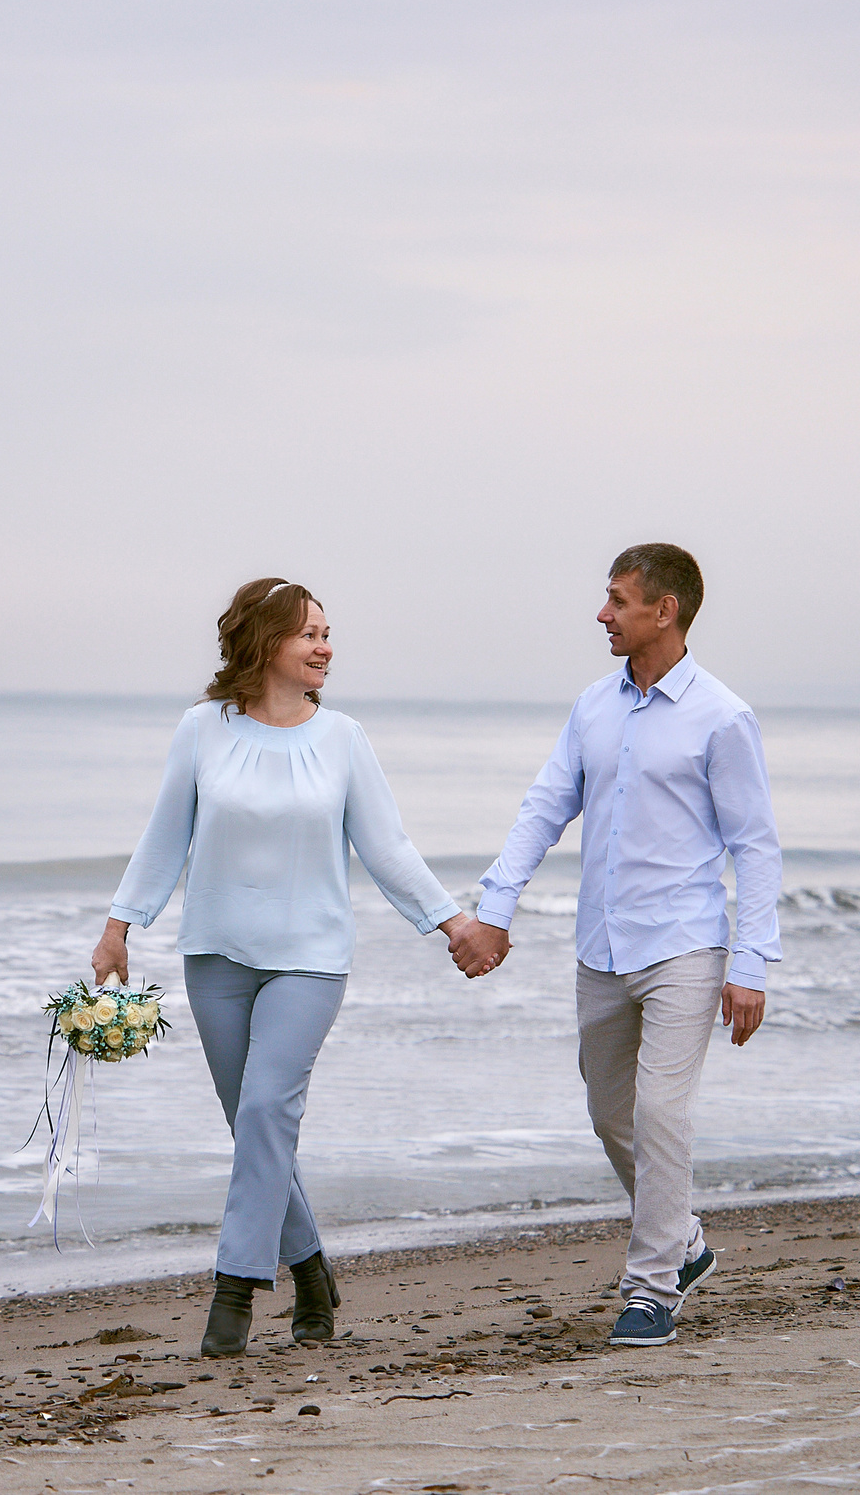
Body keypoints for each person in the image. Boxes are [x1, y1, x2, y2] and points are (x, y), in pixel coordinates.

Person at [91, 577, 511, 1357]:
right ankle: (314, 1272)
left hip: (310, 960)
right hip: (215, 956)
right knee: (253, 1128)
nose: (326, 645)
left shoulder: (343, 738)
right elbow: (163, 837)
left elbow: (387, 848)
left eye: (327, 632)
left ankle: (233, 1292)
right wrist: (121, 927)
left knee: (264, 1114)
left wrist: (454, 923)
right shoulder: (201, 730)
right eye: (309, 632)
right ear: (265, 642)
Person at [475, 543, 782, 1349]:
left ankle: (650, 1290)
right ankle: (684, 1241)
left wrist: (749, 963)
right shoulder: (593, 707)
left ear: (664, 610)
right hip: (599, 947)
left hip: (685, 944)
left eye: (616, 599)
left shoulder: (722, 716)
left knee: (659, 1113)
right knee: (610, 1112)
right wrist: (497, 904)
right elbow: (546, 806)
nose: (602, 613)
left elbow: (755, 846)